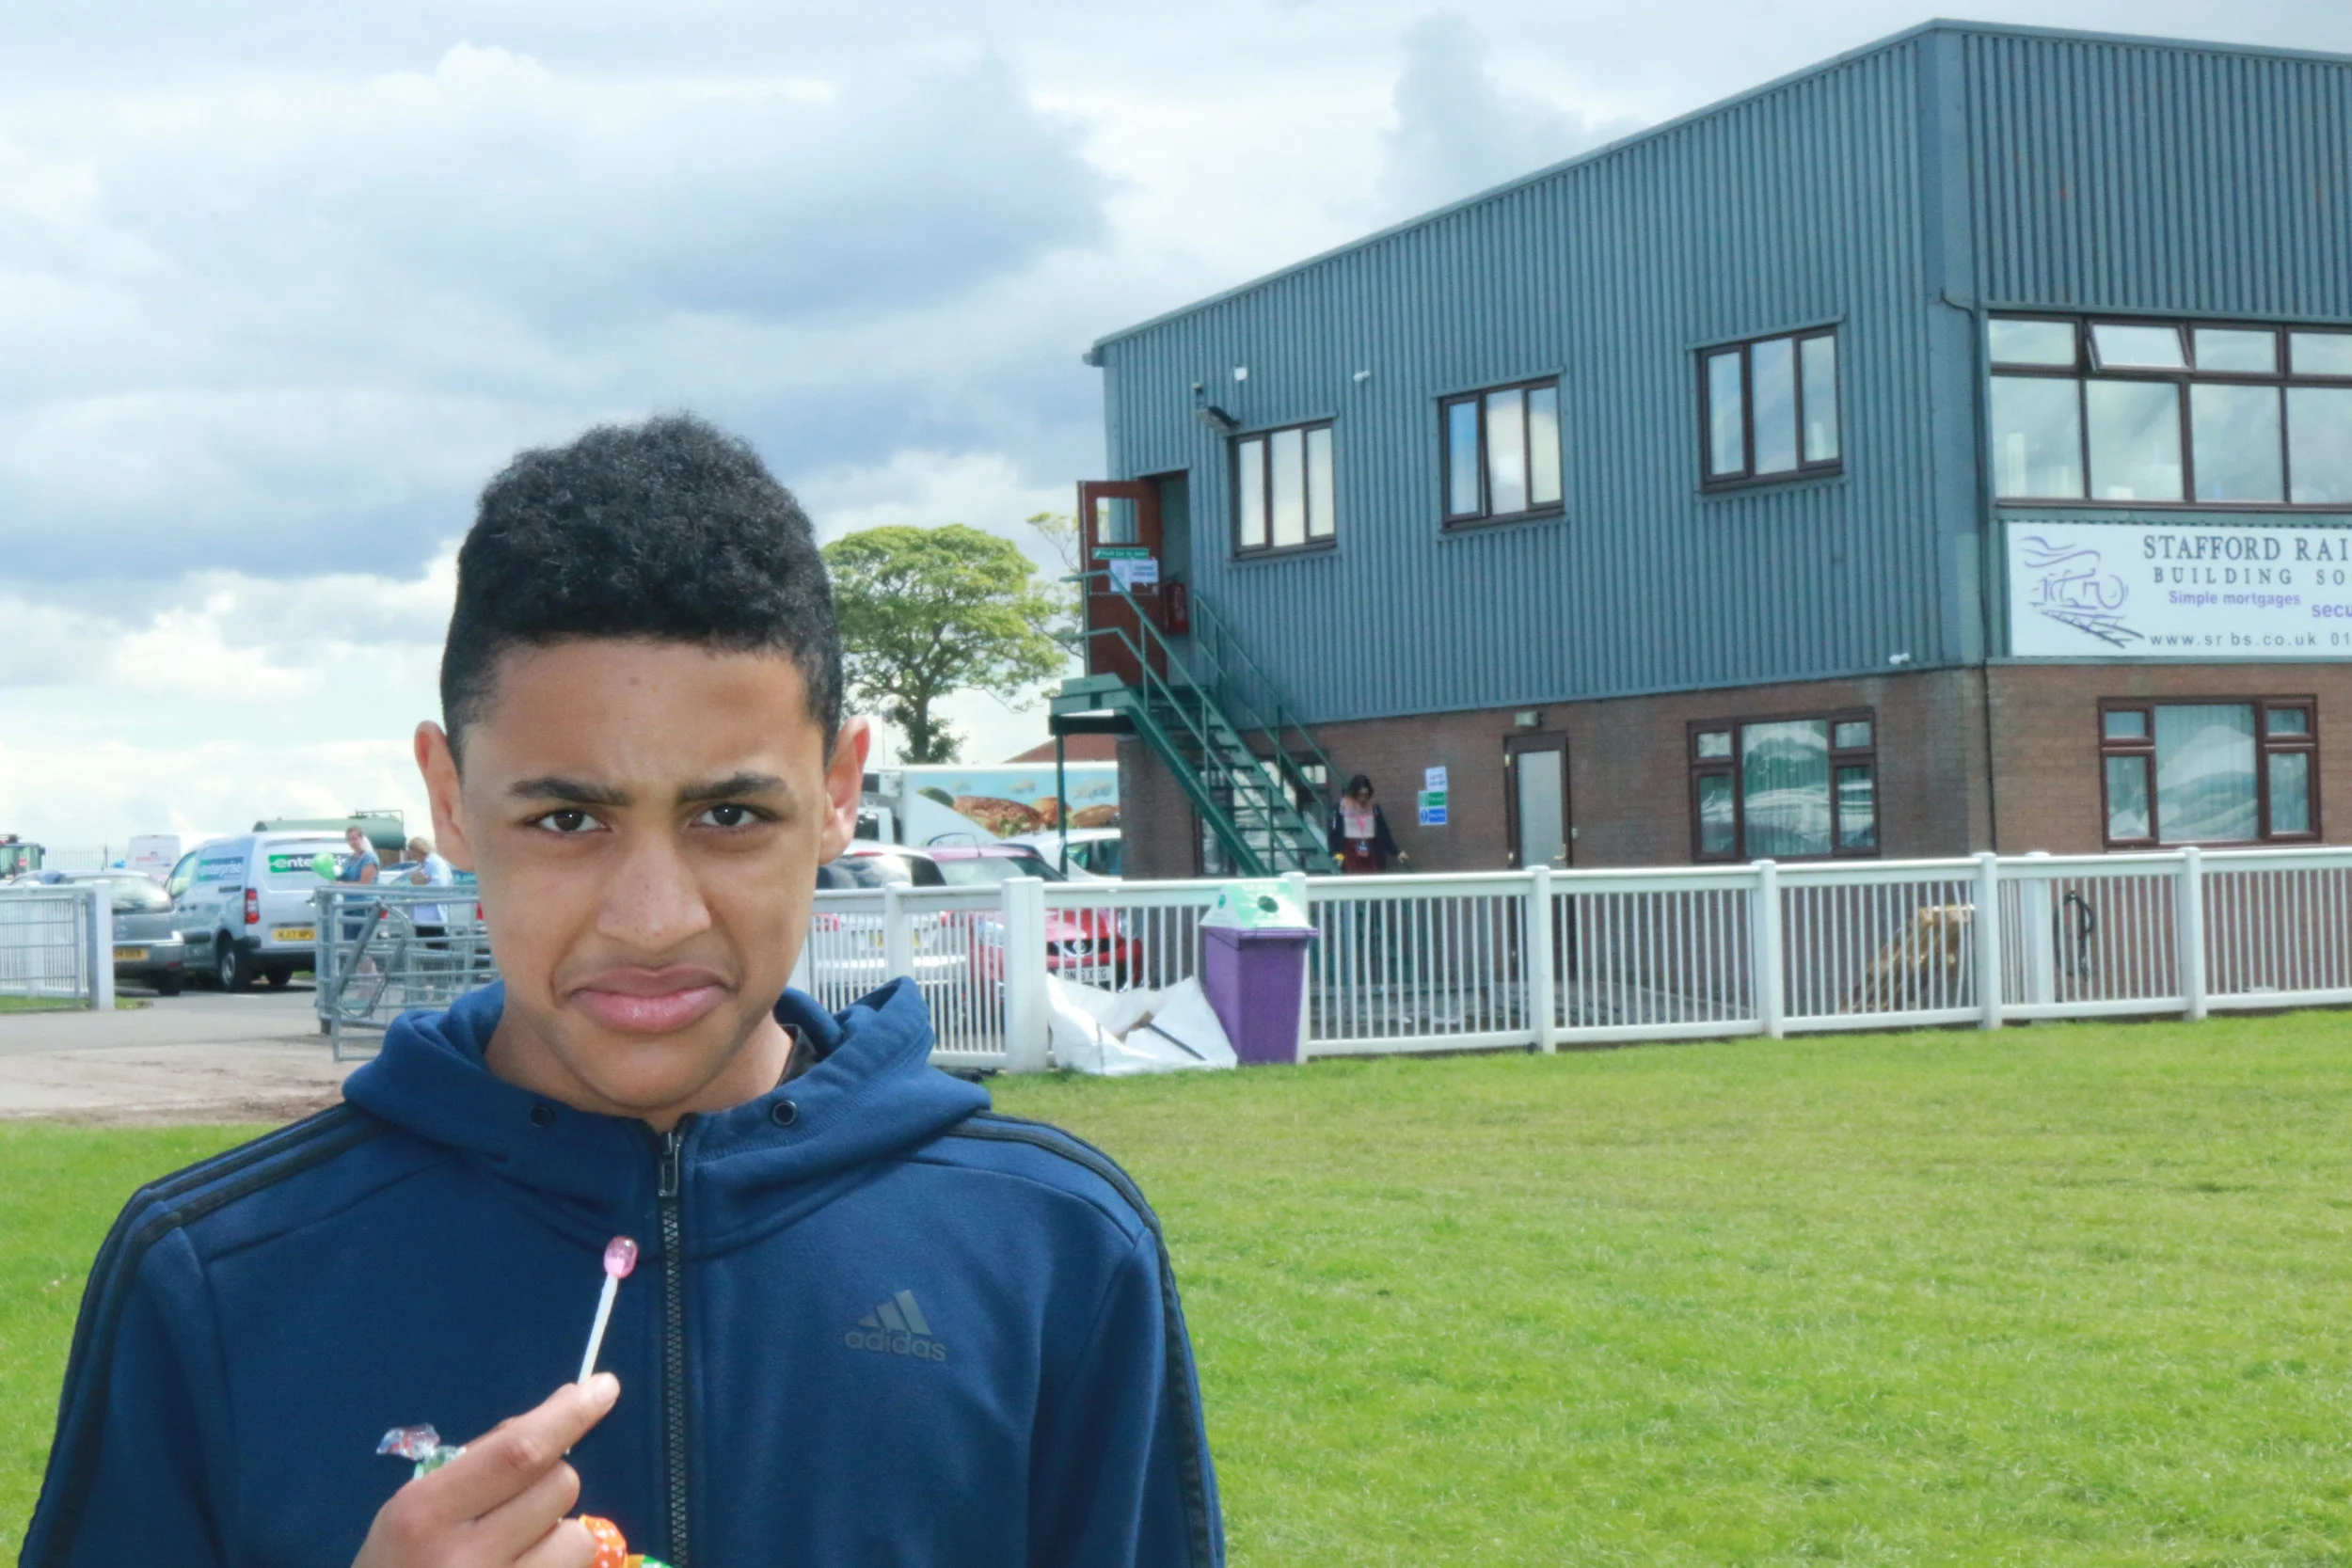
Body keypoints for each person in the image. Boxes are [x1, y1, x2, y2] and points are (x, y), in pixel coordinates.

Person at [23, 416, 1222, 1568]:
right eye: (567, 818)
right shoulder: (222, 1272)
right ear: (449, 799)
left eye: (729, 814)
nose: (653, 919)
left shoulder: (1057, 1250)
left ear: (838, 791)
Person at [1327, 773, 1406, 874]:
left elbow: (1383, 830)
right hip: (1350, 850)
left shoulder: (1373, 807)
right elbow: (1334, 832)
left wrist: (1396, 852)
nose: (1363, 798)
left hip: (1371, 849)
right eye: (1360, 794)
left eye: (1366, 794)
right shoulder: (1341, 807)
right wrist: (1334, 851)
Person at [404, 833, 454, 941]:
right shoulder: (424, 864)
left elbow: (439, 886)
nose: (411, 856)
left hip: (434, 917)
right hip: (423, 917)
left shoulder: (435, 864)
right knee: (426, 946)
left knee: (436, 947)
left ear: (418, 850)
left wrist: (419, 887)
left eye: (412, 852)